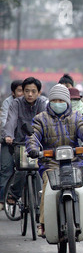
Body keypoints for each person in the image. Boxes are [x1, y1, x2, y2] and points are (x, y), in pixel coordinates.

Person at [26, 84, 83, 237]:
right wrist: (33, 148)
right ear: (50, 101)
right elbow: (33, 135)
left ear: (67, 101)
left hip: (74, 162)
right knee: (48, 187)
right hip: (50, 163)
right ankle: (44, 224)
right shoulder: (40, 119)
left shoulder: (76, 116)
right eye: (55, 100)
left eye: (61, 100)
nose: (58, 103)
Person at [0, 77, 47, 207]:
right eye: (27, 91)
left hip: (39, 143)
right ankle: (14, 194)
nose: (30, 94)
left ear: (39, 92)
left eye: (33, 91)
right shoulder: (16, 103)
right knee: (21, 169)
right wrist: (8, 135)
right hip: (20, 143)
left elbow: (46, 121)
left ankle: (40, 202)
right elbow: (11, 121)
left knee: (40, 171)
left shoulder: (43, 103)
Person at [0, 80, 24, 211]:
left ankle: (35, 202)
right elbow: (5, 121)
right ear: (13, 93)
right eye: (19, 91)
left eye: (24, 90)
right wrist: (9, 136)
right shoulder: (7, 103)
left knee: (30, 170)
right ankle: (1, 200)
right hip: (9, 140)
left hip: (26, 142)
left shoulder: (32, 102)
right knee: (6, 169)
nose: (23, 94)